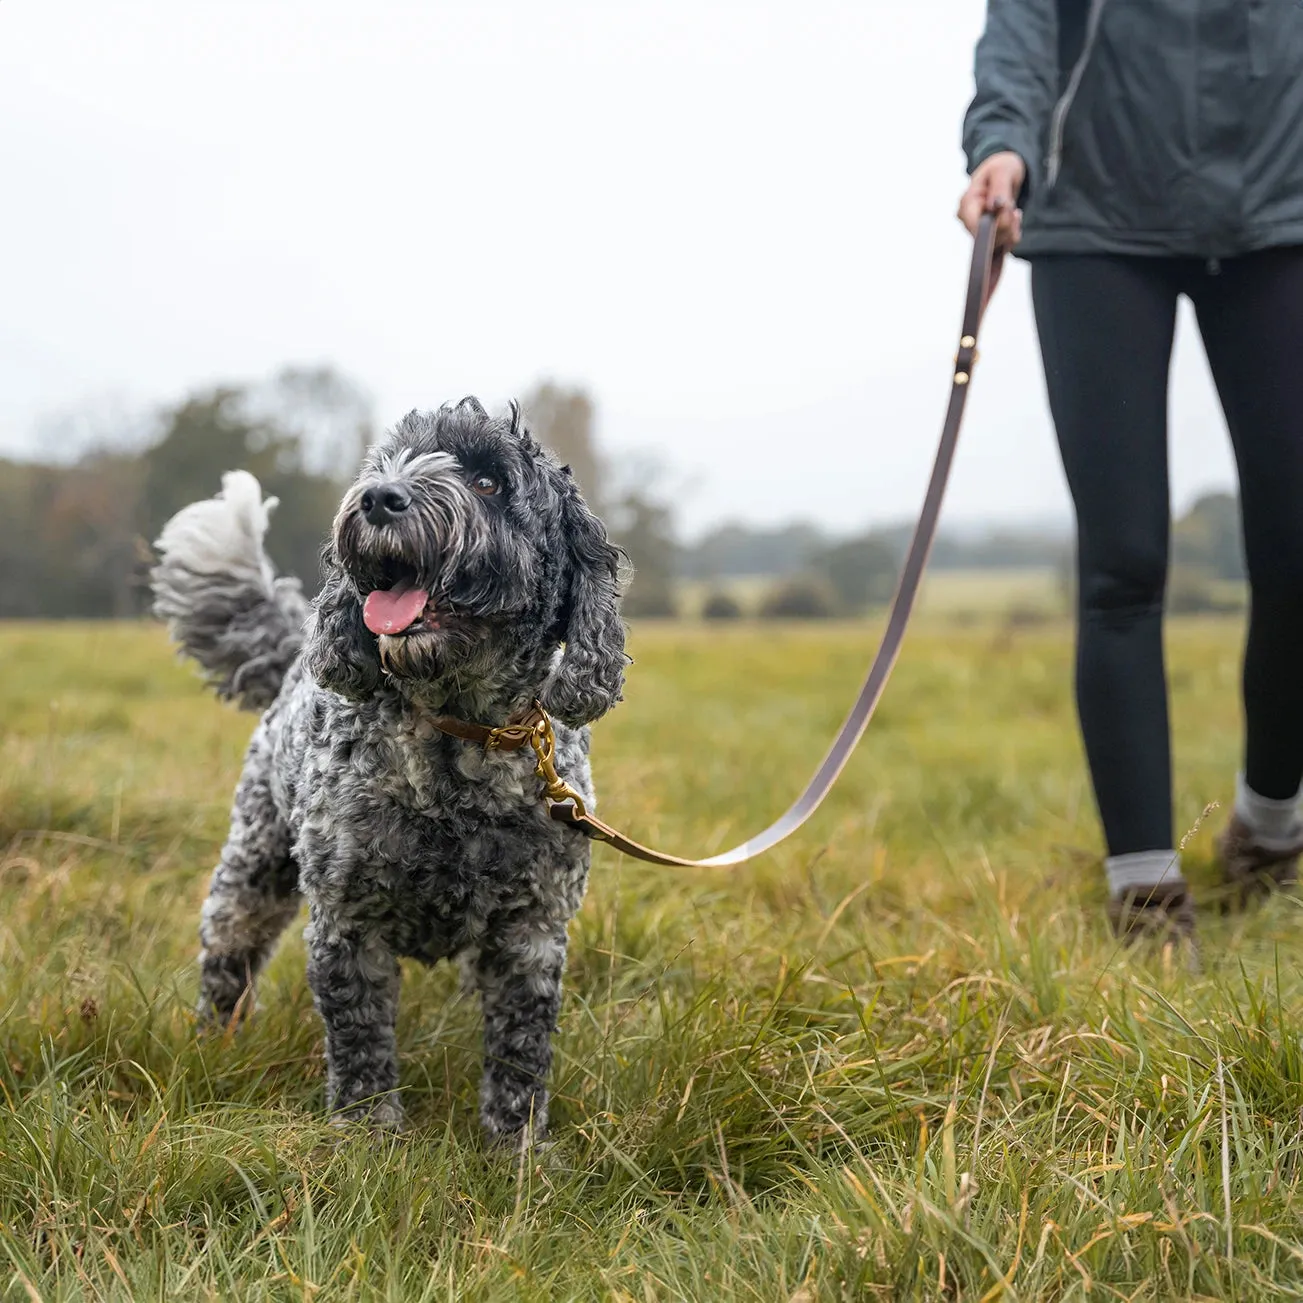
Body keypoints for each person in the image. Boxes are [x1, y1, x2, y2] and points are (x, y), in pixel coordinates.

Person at [957, 0, 1303, 940]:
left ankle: (1269, 826)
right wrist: (1001, 144)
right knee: (1121, 562)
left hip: (1282, 207)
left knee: (1294, 549)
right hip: (1095, 216)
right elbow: (1023, 30)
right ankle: (1144, 893)